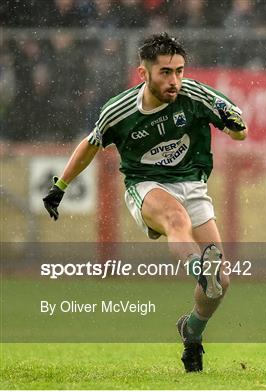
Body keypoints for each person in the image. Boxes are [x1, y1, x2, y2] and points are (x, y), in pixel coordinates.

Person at [42, 32, 248, 372]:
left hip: (193, 185)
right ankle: (200, 269)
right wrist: (60, 185)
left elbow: (239, 132)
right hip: (146, 185)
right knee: (175, 220)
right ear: (144, 74)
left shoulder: (195, 94)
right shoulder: (119, 110)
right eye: (166, 72)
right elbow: (91, 145)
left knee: (221, 285)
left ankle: (192, 333)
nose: (175, 80)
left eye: (180, 71)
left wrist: (236, 125)